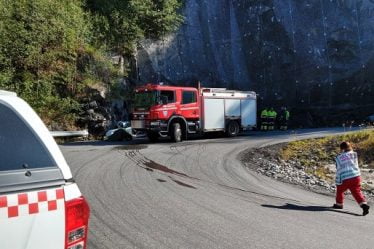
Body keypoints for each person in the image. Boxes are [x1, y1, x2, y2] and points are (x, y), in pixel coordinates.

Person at [332, 142, 370, 216]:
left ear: (341, 149)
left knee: (340, 190)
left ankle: (339, 204)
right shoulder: (354, 154)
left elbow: (338, 168)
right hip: (356, 176)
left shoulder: (338, 158)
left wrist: (338, 180)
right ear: (350, 147)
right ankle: (363, 205)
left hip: (346, 178)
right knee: (356, 191)